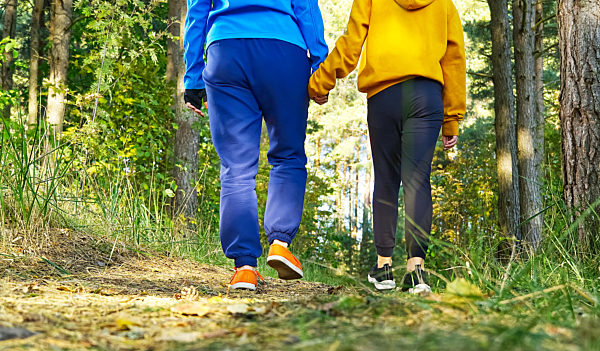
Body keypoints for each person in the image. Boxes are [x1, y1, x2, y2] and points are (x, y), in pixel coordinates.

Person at [309, 0, 466, 292]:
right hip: (425, 94)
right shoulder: (444, 3)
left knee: (386, 179)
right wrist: (451, 118)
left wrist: (320, 82)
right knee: (418, 181)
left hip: (384, 96)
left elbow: (351, 44)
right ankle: (416, 271)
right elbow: (454, 58)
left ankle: (384, 267)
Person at [184, 0, 328, 290]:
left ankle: (245, 267)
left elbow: (197, 9)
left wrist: (193, 75)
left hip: (227, 50)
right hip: (284, 50)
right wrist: (320, 62)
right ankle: (280, 243)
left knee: (236, 167)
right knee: (288, 155)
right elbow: (306, 7)